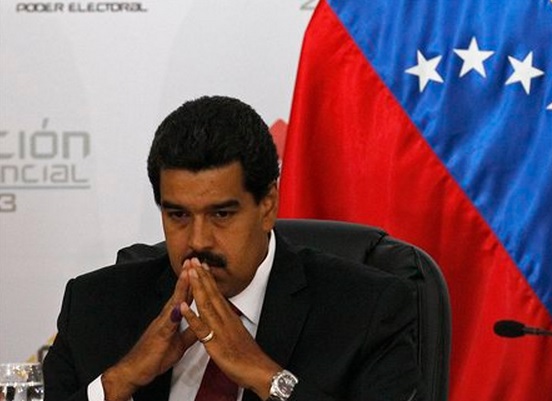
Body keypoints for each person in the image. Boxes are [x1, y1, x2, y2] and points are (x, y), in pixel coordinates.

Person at [43, 95, 424, 401]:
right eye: (178, 215)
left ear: (268, 205)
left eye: (221, 214)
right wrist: (120, 380)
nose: (198, 240)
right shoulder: (95, 306)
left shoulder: (366, 311)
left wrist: (265, 376)